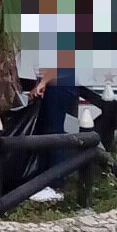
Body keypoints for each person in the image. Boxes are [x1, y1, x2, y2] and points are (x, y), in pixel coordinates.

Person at [27, 64, 77, 202]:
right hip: (56, 83)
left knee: (54, 132)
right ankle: (46, 179)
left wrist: (43, 82)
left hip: (60, 83)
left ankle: (56, 185)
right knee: (47, 132)